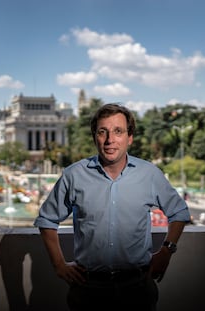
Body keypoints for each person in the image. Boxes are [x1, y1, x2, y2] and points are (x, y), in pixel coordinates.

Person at [34, 103, 191, 311]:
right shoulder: (74, 175)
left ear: (130, 137)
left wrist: (166, 252)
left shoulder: (149, 174)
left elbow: (179, 212)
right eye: (102, 132)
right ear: (94, 137)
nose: (110, 140)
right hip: (87, 289)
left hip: (137, 288)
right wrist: (59, 265)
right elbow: (47, 220)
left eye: (118, 131)